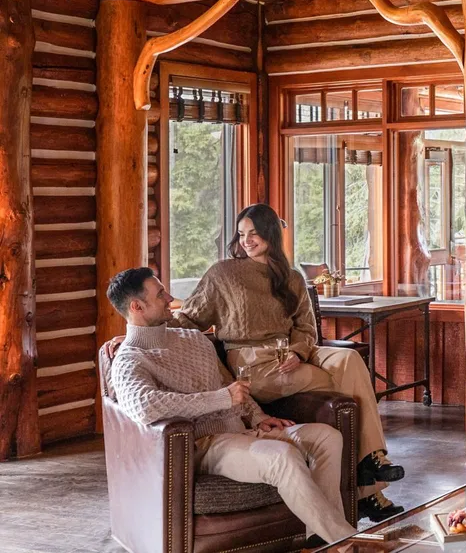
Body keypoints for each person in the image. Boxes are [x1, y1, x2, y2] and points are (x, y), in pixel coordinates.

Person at [170, 203, 405, 522]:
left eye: (253, 233)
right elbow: (189, 318)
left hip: (290, 356)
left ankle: (373, 461)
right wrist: (140, 331)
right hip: (253, 364)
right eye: (241, 234)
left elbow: (307, 328)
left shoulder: (291, 278)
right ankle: (368, 484)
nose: (247, 240)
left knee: (348, 359)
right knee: (348, 387)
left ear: (269, 233)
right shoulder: (223, 273)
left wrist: (297, 352)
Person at [106, 267, 357, 545]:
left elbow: (231, 384)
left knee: (327, 438)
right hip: (205, 444)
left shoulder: (194, 340)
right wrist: (221, 399)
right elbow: (145, 406)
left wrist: (258, 416)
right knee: (282, 457)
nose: (170, 297)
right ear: (137, 306)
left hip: (241, 432)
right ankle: (350, 544)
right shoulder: (129, 359)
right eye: (160, 294)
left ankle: (320, 542)